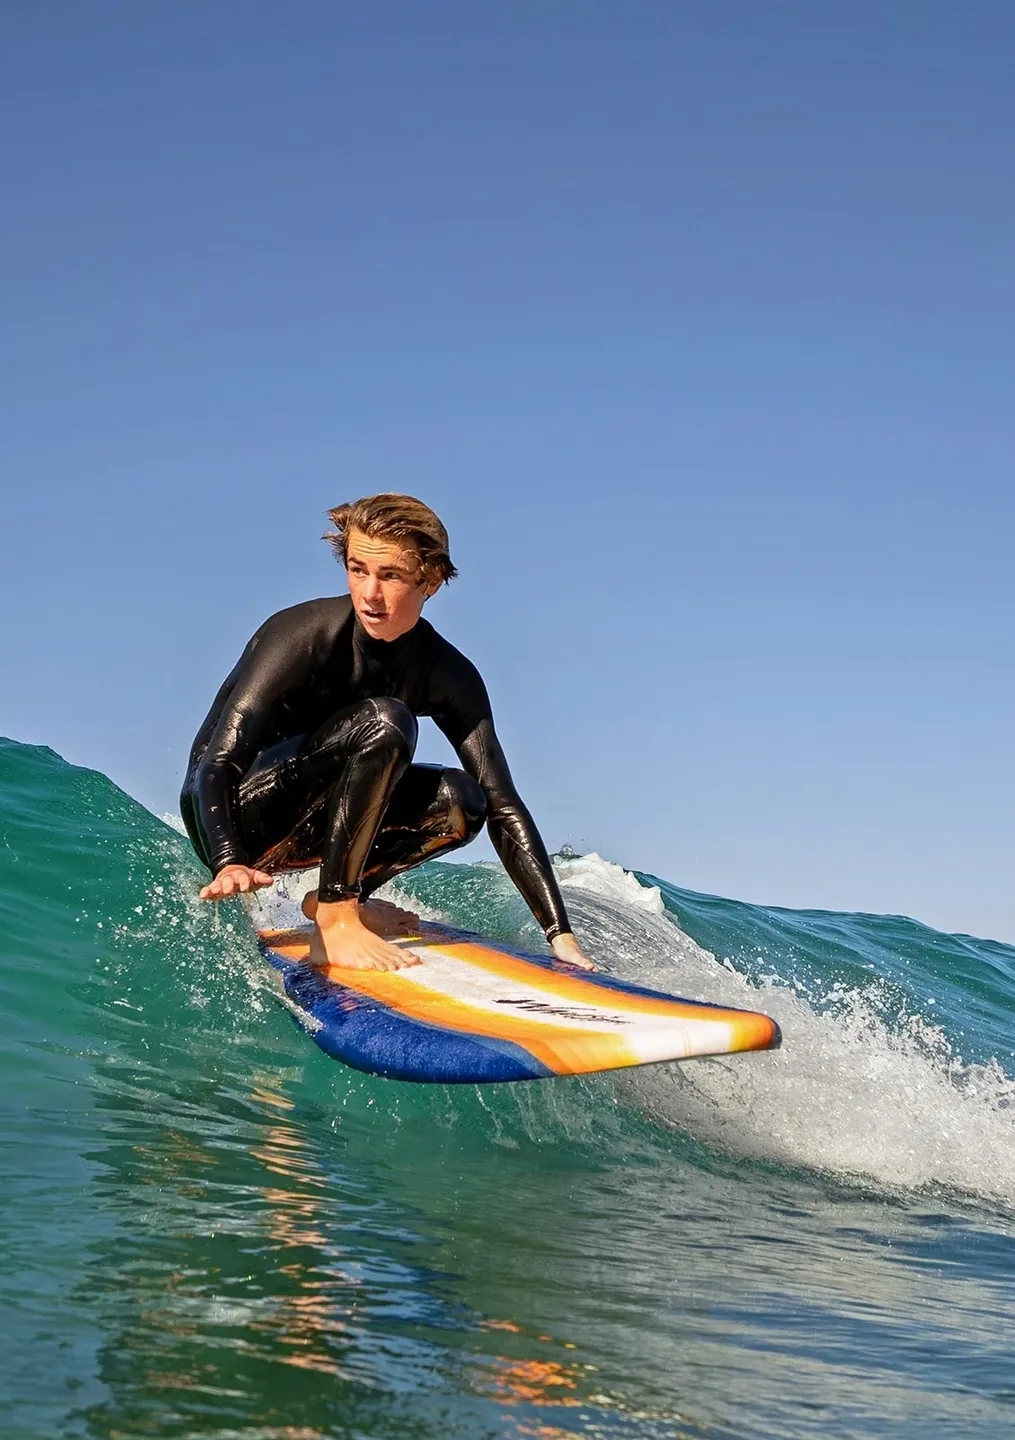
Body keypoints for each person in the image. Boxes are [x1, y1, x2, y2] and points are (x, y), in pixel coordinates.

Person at [181, 493, 593, 973]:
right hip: (240, 814)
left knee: (465, 800)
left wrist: (560, 935)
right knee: (387, 720)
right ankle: (338, 918)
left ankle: (338, 900)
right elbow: (212, 765)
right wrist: (228, 857)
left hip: (319, 825)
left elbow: (503, 804)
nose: (370, 594)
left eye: (391, 576)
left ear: (432, 581)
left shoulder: (447, 673)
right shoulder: (302, 634)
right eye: (358, 570)